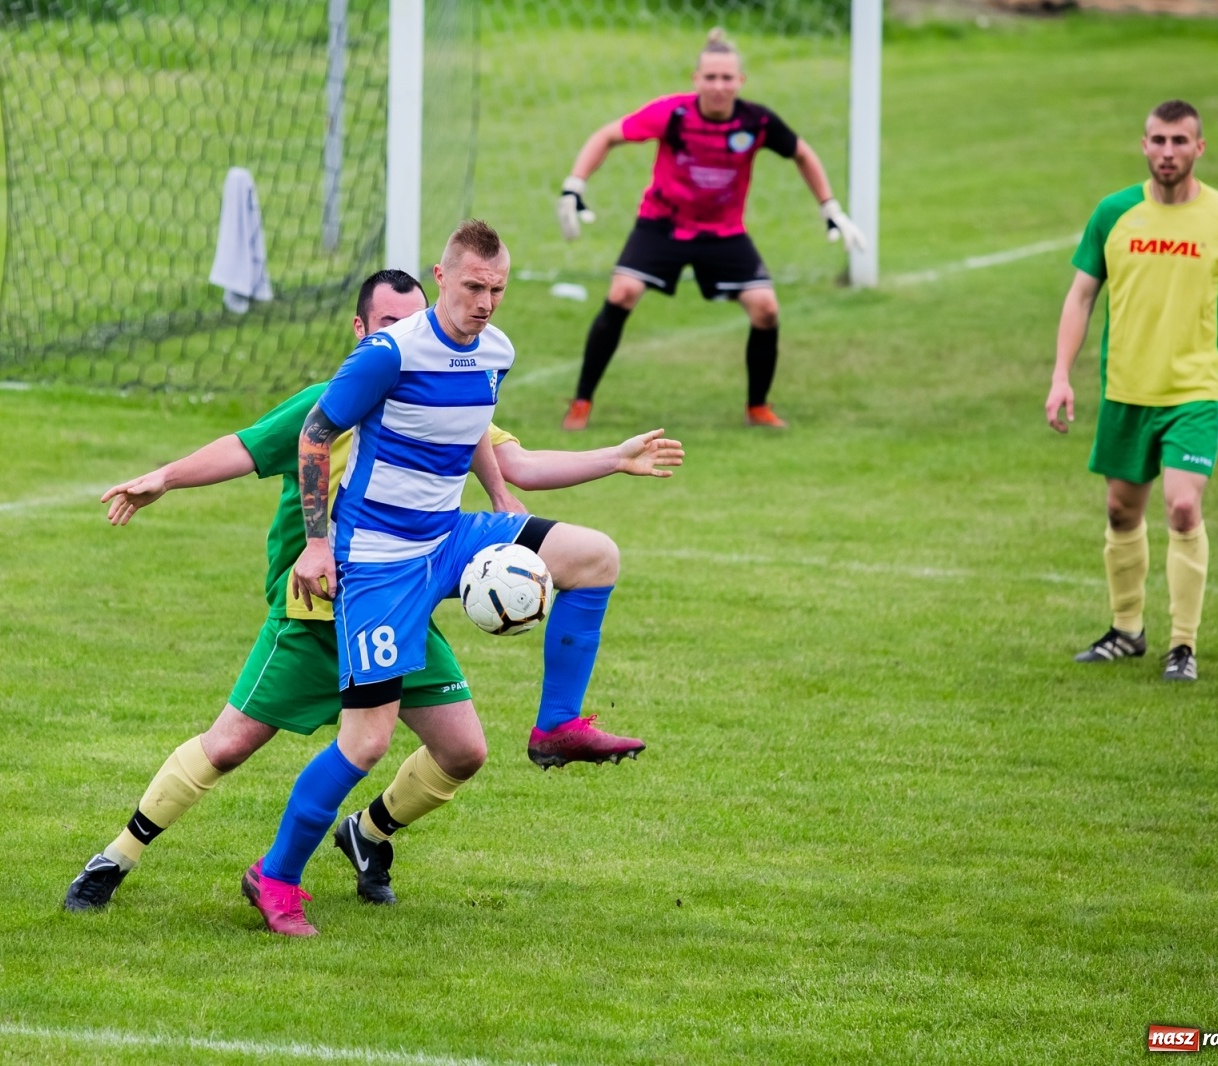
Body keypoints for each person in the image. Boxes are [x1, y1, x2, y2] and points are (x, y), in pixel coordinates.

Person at [64, 267, 683, 913]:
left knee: (464, 751)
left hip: (397, 601)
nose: (405, 336)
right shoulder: (329, 400)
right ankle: (116, 857)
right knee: (230, 745)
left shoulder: (437, 388)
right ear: (360, 330)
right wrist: (163, 477)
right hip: (312, 614)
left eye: (411, 323)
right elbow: (243, 449)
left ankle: (367, 834)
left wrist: (606, 459)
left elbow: (518, 462)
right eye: (389, 324)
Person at [243, 220, 641, 936]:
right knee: (366, 743)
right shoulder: (390, 354)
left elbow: (473, 433)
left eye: (497, 289)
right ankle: (275, 876)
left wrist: (544, 483)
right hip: (380, 560)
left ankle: (557, 726)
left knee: (595, 556)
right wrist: (316, 543)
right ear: (441, 277)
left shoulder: (497, 352)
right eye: (472, 287)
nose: (486, 302)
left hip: (448, 537)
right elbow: (313, 436)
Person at [1045, 99, 1218, 683]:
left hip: (1194, 393)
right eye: (1157, 141)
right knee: (1121, 511)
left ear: (1199, 148)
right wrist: (1060, 375)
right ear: (1143, 145)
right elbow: (1080, 296)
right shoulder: (1114, 213)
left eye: (1179, 141)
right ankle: (1127, 631)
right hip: (1126, 390)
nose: (1167, 152)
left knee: (1183, 504)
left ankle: (1184, 645)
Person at [555, 27, 866, 432]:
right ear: (696, 79)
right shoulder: (673, 114)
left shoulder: (757, 121)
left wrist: (831, 209)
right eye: (711, 77)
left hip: (723, 233)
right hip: (661, 225)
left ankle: (758, 408)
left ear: (740, 81)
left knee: (766, 308)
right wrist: (574, 185)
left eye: (727, 78)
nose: (719, 86)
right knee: (622, 292)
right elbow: (608, 135)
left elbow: (802, 153)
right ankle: (581, 402)